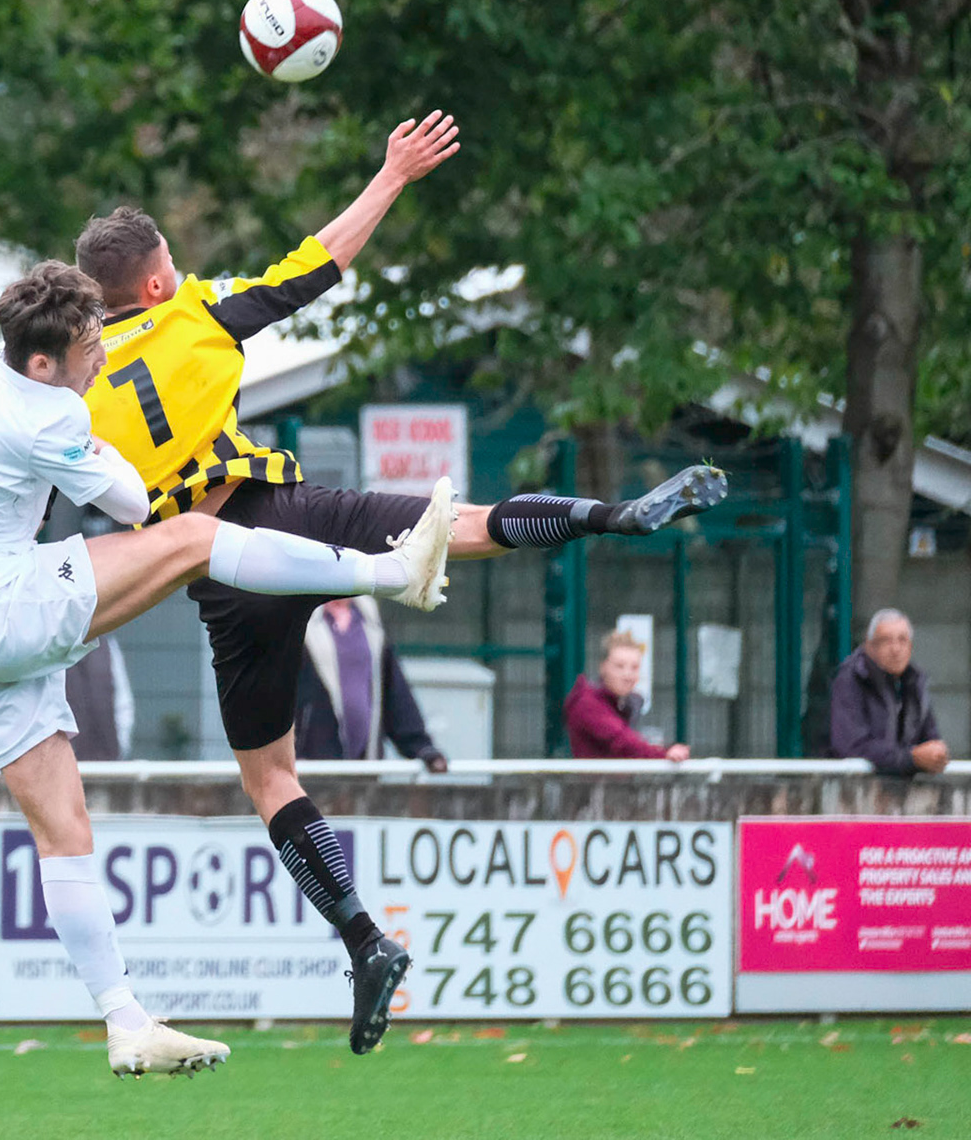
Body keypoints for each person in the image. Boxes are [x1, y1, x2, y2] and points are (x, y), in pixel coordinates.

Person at [69, 111, 726, 1050]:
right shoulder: (194, 311)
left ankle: (364, 939)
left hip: (211, 567)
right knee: (449, 525)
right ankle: (610, 516)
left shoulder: (68, 390)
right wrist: (391, 176)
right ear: (158, 277)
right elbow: (319, 263)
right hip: (282, 515)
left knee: (271, 780)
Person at [0, 260, 457, 1077]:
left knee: (63, 830)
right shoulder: (49, 413)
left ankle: (125, 1022)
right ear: (42, 363)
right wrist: (90, 439)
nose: (102, 356)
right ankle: (391, 573)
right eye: (91, 347)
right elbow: (133, 504)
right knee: (192, 541)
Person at [295, 598, 448, 770]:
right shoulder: (298, 619)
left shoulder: (369, 621)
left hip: (365, 768)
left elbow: (394, 695)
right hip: (311, 770)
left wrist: (422, 748)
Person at [829, 608, 950, 776]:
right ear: (869, 646)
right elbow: (850, 746)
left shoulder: (915, 682)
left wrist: (936, 754)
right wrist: (911, 758)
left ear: (911, 647)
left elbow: (930, 739)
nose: (896, 649)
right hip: (848, 790)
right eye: (886, 640)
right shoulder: (850, 678)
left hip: (900, 793)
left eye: (902, 640)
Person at [565, 631, 690, 761]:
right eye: (619, 666)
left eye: (635, 667)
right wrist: (665, 754)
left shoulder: (623, 704)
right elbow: (624, 744)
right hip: (592, 781)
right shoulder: (588, 704)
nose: (628, 675)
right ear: (603, 667)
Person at [63, 637, 135, 762]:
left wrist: (120, 746)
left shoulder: (108, 646)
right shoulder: (52, 648)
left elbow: (123, 703)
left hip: (108, 758)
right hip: (63, 761)